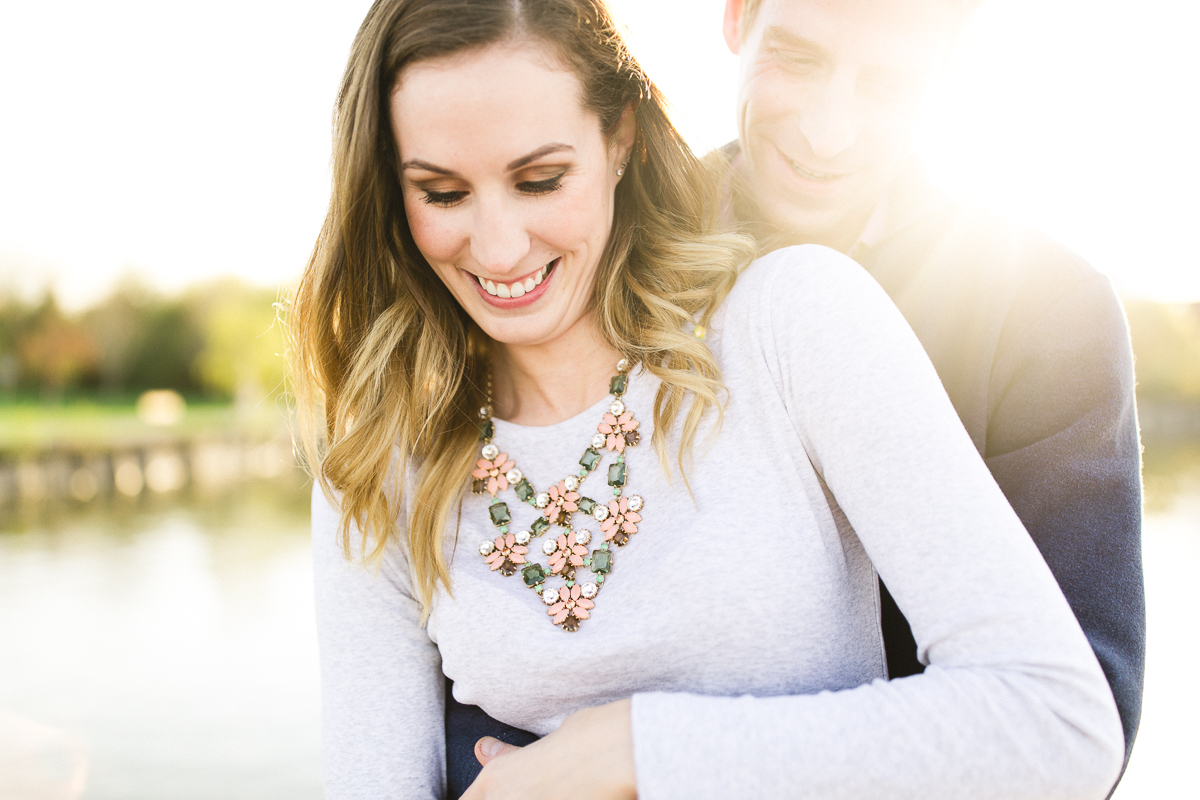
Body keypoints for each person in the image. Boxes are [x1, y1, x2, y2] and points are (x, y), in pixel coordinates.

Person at [291, 1, 1124, 798]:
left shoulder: (797, 317)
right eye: (441, 193)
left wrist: (632, 751)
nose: (501, 246)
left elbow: (1061, 725)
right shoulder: (375, 458)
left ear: (619, 138)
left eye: (542, 179)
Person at [715, 0, 1145, 772]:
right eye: (799, 58)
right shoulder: (595, 248)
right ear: (737, 18)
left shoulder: (1046, 304)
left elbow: (1083, 713)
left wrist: (655, 757)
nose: (827, 131)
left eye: (886, 84)